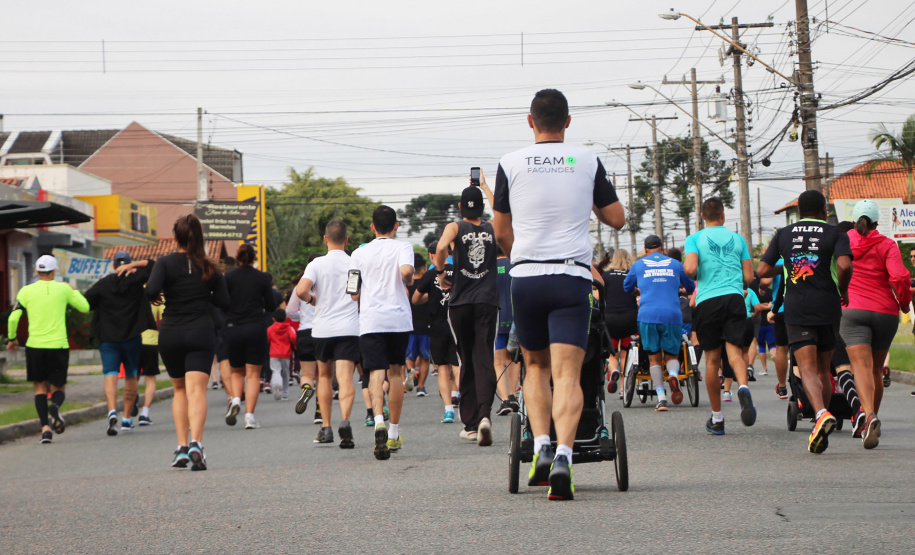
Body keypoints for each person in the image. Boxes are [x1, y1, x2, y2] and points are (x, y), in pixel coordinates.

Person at [491, 88, 625, 500]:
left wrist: (523, 257)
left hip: (527, 278)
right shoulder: (586, 159)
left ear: (529, 121)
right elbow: (617, 219)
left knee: (535, 369)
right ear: (568, 122)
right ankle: (565, 454)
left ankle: (543, 446)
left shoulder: (509, 163)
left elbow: (499, 232)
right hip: (571, 278)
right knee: (568, 373)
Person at [127, 214, 229, 469]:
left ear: (175, 238)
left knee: (180, 390)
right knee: (197, 391)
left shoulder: (164, 263)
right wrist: (204, 296)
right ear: (200, 238)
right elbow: (224, 301)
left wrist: (164, 297)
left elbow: (150, 291)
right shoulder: (209, 266)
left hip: (171, 333)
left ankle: (182, 447)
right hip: (200, 332)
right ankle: (197, 443)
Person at [758, 190, 852, 454]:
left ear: (799, 212)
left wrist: (785, 264)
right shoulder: (836, 233)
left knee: (806, 368)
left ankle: (820, 414)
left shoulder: (784, 234)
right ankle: (820, 421)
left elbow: (763, 271)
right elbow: (844, 266)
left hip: (797, 307)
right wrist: (842, 290)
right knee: (824, 368)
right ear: (824, 211)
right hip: (828, 306)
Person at [839, 200, 911, 448]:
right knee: (876, 370)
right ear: (878, 222)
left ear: (853, 219)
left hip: (852, 309)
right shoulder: (887, 244)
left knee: (859, 367)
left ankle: (867, 416)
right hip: (884, 311)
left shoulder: (844, 240)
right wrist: (903, 303)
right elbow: (900, 276)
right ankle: (873, 417)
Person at [684, 197, 756, 436]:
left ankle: (717, 418)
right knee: (735, 352)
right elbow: (749, 276)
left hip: (708, 301)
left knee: (713, 360)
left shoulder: (695, 239)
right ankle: (743, 387)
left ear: (703, 217)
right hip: (735, 299)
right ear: (723, 215)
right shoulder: (738, 239)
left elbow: (691, 269)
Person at [350, 206, 415, 460]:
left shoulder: (358, 254)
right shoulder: (403, 247)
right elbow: (407, 272)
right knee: (396, 371)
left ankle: (378, 420)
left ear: (372, 227)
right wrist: (406, 280)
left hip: (370, 320)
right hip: (398, 318)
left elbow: (353, 292)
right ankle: (394, 432)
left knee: (375, 372)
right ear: (396, 226)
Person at [6, 255, 90, 444]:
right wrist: (74, 291)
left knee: (39, 388)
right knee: (58, 387)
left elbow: (12, 318)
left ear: (36, 271)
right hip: (58, 345)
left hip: (35, 346)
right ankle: (56, 406)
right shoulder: (63, 289)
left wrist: (12, 339)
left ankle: (45, 429)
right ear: (54, 272)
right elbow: (85, 307)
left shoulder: (25, 291)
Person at [296, 220, 361, 448]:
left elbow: (301, 290)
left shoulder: (316, 264)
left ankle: (326, 427)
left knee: (323, 377)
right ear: (346, 240)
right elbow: (357, 296)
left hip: (322, 329)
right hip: (349, 329)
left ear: (325, 239)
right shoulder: (354, 263)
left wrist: (312, 300)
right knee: (345, 379)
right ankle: (345, 420)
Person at [84, 251, 156, 435]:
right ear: (128, 264)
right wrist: (134, 266)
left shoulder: (103, 284)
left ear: (114, 265)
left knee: (110, 374)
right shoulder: (137, 280)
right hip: (132, 338)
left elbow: (86, 303)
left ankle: (111, 411)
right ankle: (126, 419)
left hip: (108, 339)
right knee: (131, 376)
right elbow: (153, 265)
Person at [623, 236, 695, 411]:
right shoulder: (676, 265)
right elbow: (692, 288)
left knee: (653, 357)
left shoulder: (638, 265)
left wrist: (640, 288)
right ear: (663, 248)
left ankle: (661, 397)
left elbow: (626, 287)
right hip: (672, 315)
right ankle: (672, 374)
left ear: (646, 250)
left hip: (648, 315)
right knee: (672, 354)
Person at [224, 243, 276, 429]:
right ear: (254, 258)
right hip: (255, 327)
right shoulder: (262, 278)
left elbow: (222, 301)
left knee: (236, 371)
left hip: (233, 328)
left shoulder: (228, 277)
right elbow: (270, 305)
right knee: (253, 375)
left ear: (238, 257)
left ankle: (236, 399)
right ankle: (249, 417)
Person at [413, 264, 460, 423]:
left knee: (442, 368)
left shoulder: (431, 273)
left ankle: (448, 410)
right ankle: (458, 396)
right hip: (457, 325)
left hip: (436, 327)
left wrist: (431, 296)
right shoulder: (461, 271)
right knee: (458, 365)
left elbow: (415, 299)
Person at [600, 249, 639, 394]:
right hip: (629, 317)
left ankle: (614, 370)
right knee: (626, 354)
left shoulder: (606, 276)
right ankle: (623, 389)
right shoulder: (631, 275)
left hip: (611, 318)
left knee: (611, 353)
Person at [287, 254, 320, 421]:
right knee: (324, 375)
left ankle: (306, 387)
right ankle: (320, 412)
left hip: (305, 332)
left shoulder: (299, 287)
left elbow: (290, 311)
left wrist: (303, 318)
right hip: (323, 332)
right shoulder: (327, 285)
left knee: (307, 373)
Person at [494, 247, 520, 415]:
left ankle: (504, 400)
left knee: (498, 362)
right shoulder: (515, 265)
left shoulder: (488, 268)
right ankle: (513, 394)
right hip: (516, 318)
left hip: (496, 318)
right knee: (514, 358)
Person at [405, 254, 431, 397]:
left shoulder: (405, 284)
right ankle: (421, 387)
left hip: (409, 326)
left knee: (409, 356)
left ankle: (410, 370)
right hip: (426, 326)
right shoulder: (427, 284)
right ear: (423, 270)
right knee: (425, 357)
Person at [138, 296, 164, 426]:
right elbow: (164, 316)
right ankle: (144, 413)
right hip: (151, 341)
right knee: (150, 378)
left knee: (132, 377)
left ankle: (133, 399)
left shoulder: (133, 290)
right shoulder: (157, 295)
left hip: (133, 339)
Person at [267, 308, 296, 402]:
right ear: (285, 318)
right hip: (286, 353)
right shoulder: (289, 328)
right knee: (285, 373)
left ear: (273, 319)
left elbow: (268, 339)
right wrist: (295, 347)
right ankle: (285, 393)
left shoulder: (270, 329)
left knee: (276, 371)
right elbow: (293, 337)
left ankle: (276, 384)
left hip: (274, 353)